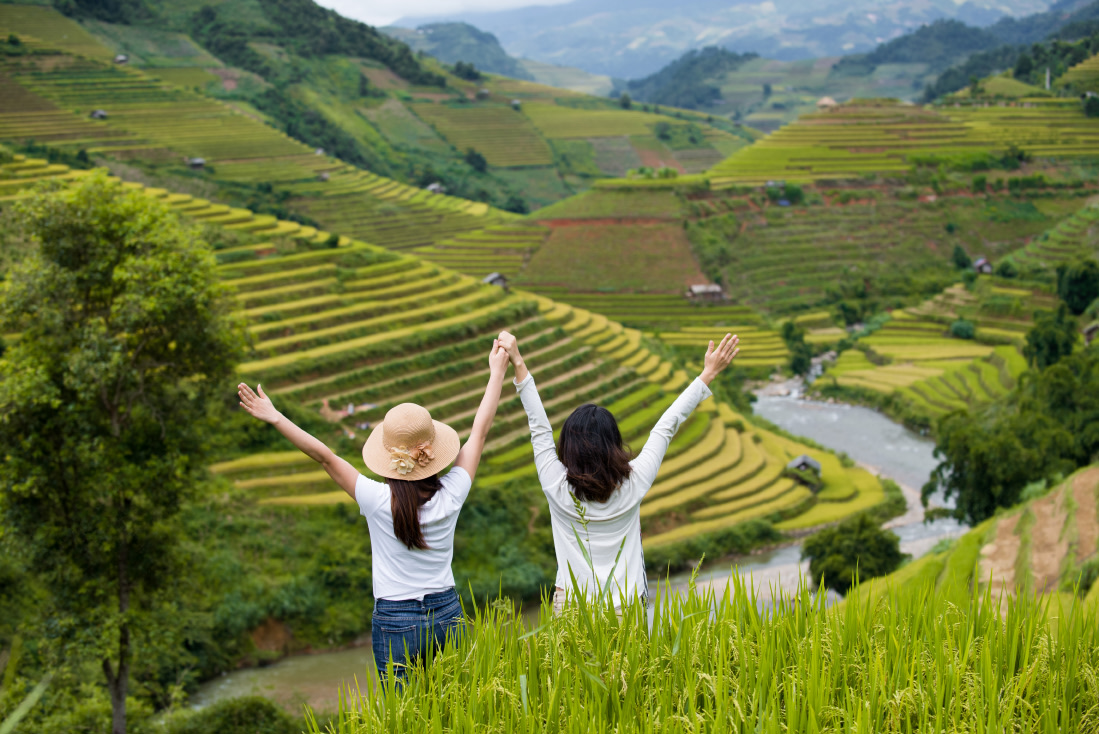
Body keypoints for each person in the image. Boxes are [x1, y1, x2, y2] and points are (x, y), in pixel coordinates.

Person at [237, 339, 511, 681]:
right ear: (433, 455)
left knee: (403, 714)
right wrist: (497, 371)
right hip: (446, 612)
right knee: (453, 705)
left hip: (395, 619)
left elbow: (325, 456)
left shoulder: (376, 499)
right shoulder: (452, 493)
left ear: (388, 460)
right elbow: (480, 432)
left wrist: (276, 417)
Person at [496, 331, 739, 612]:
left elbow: (538, 426)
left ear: (569, 447)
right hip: (626, 605)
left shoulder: (555, 484)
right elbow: (667, 424)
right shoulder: (635, 479)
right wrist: (707, 374)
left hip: (572, 606)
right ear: (613, 443)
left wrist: (518, 361)